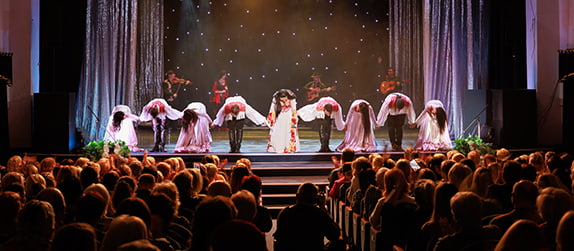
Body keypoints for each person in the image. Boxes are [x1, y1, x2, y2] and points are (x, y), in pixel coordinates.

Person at [274, 182, 341, 251]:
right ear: (315, 199)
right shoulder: (318, 213)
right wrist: (322, 207)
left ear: (297, 196)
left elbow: (278, 238)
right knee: (339, 243)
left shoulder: (285, 212)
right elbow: (334, 235)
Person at [267, 89, 300, 153]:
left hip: (289, 117)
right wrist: (271, 120)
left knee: (289, 132)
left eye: (285, 99)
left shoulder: (292, 99)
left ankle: (289, 148)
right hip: (280, 117)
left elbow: (294, 110)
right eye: (282, 99)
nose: (284, 101)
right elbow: (272, 110)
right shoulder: (275, 99)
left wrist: (294, 120)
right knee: (278, 131)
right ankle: (278, 147)